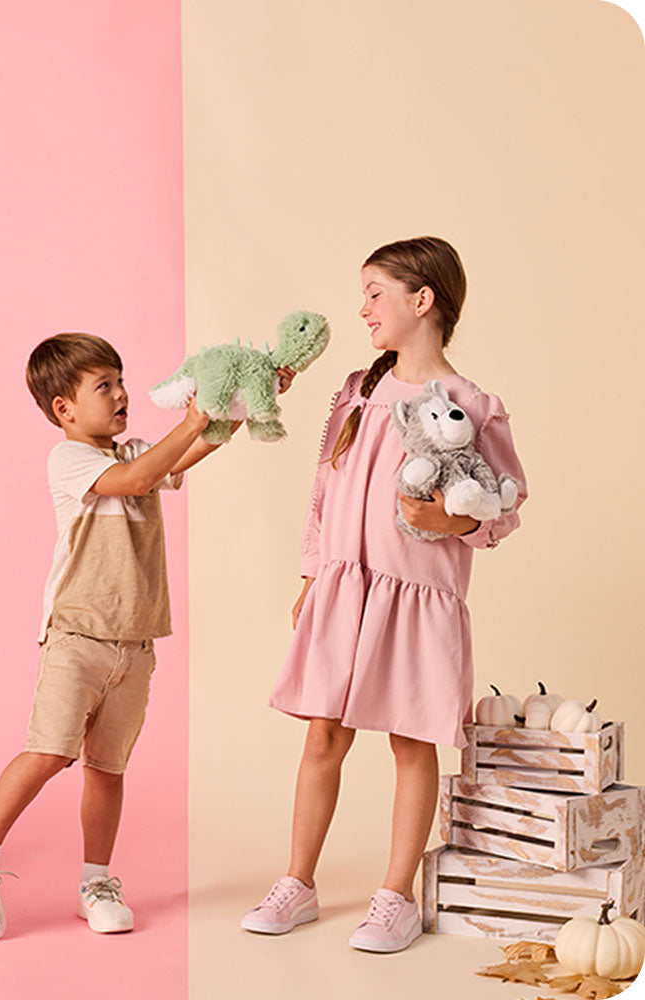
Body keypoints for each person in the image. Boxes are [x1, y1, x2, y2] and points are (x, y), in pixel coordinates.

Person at [0, 332, 294, 941]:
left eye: (121, 381)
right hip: (77, 636)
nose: (122, 395)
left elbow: (187, 453)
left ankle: (96, 880)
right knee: (50, 752)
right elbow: (138, 478)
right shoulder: (72, 461)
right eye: (103, 386)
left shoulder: (137, 451)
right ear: (64, 408)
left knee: (108, 768)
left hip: (135, 643)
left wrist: (244, 405)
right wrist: (195, 414)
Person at [240, 236, 527, 953]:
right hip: (345, 587)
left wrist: (450, 520)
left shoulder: (470, 405)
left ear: (420, 299)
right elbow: (322, 491)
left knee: (410, 741)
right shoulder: (357, 391)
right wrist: (312, 573)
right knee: (323, 736)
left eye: (374, 293)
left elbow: (502, 507)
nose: (362, 308)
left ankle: (394, 896)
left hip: (418, 596)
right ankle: (297, 883)